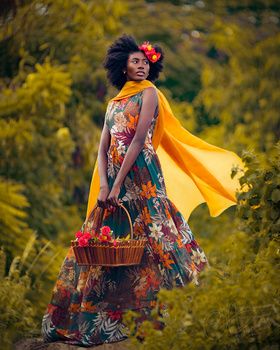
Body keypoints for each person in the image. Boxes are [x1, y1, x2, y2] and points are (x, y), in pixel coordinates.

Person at [41, 34, 245, 347]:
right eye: (135, 62)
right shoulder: (114, 103)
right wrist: (107, 183)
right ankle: (110, 318)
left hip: (143, 173)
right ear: (122, 66)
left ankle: (185, 310)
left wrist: (120, 181)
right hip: (114, 174)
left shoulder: (149, 94)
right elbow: (102, 148)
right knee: (115, 240)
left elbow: (138, 141)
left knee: (155, 236)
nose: (141, 67)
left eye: (145, 63)